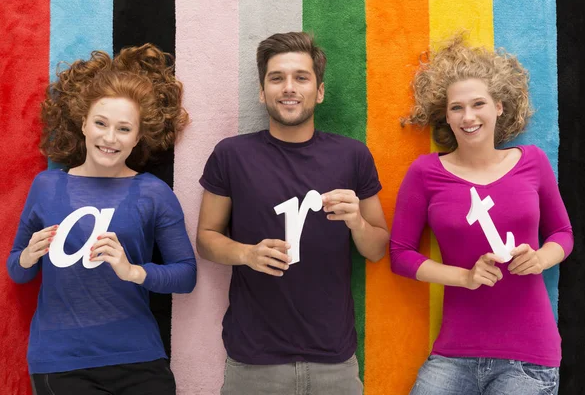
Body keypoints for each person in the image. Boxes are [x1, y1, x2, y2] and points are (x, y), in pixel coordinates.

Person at [196, 31, 389, 394]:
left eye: (301, 78)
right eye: (276, 78)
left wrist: (357, 222)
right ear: (261, 90)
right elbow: (206, 239)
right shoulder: (231, 155)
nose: (288, 87)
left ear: (319, 91)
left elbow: (377, 248)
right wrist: (246, 253)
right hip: (253, 361)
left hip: (335, 360)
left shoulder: (353, 156)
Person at [7, 44, 197, 395]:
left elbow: (186, 274)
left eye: (124, 129)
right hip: (61, 364)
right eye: (101, 123)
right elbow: (17, 271)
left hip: (139, 360)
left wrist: (133, 271)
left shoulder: (153, 192)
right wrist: (28, 256)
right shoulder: (47, 186)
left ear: (139, 136)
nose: (110, 138)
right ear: (83, 124)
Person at [390, 36, 573, 395]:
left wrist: (539, 259)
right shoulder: (426, 172)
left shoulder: (532, 161)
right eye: (457, 108)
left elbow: (563, 233)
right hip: (454, 353)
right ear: (446, 115)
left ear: (499, 108)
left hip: (529, 357)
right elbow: (401, 256)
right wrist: (465, 277)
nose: (468, 117)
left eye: (478, 104)